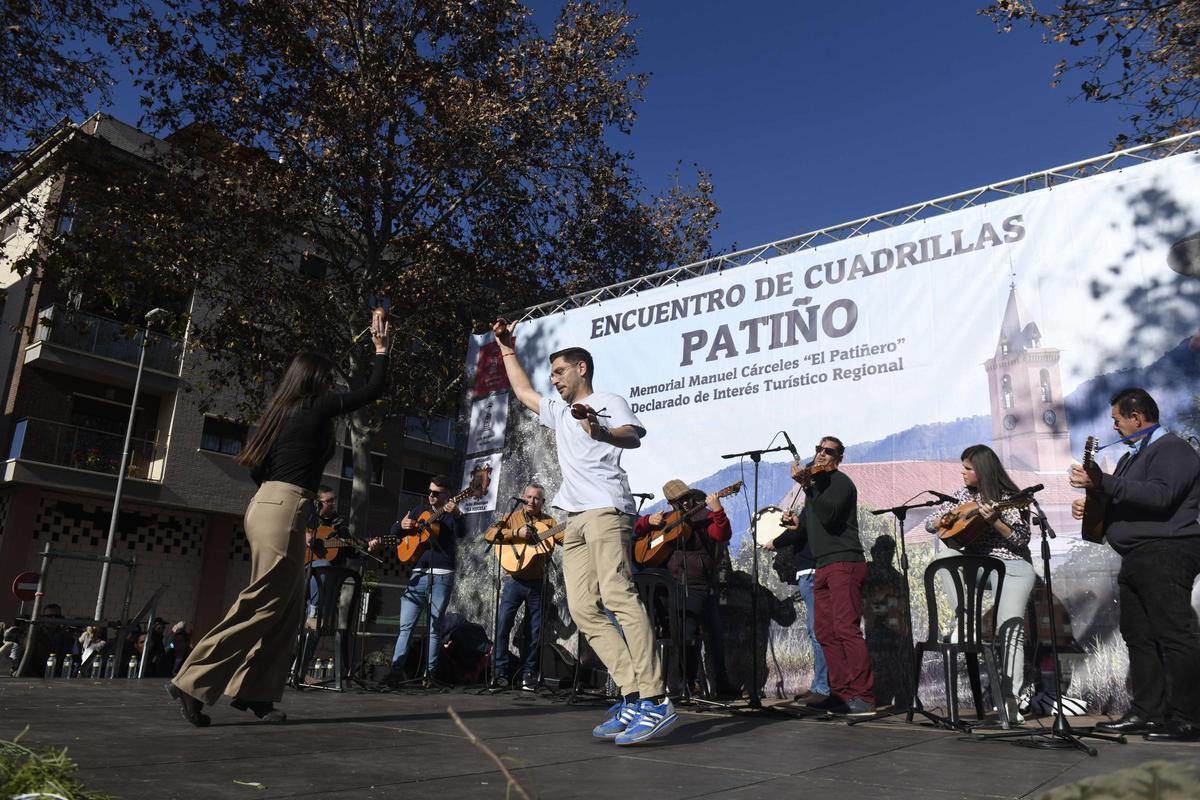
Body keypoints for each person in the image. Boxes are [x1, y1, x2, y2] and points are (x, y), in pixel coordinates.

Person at [166, 309, 389, 727]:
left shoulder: (282, 413)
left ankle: (256, 692)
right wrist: (380, 348)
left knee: (287, 606)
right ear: (314, 380)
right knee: (263, 602)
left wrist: (281, 499)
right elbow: (373, 389)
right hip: (284, 507)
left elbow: (257, 469)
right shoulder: (315, 407)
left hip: (269, 504)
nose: (333, 385)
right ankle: (192, 681)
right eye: (328, 378)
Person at [491, 319, 673, 746]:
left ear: (581, 369)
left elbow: (632, 437)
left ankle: (656, 698)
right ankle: (632, 694)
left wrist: (599, 429)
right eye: (552, 374)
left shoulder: (608, 401)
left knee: (617, 595)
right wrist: (506, 349)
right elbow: (523, 392)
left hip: (606, 509)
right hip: (572, 518)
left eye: (560, 372)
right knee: (583, 608)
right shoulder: (558, 412)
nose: (554, 380)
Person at [1069, 387, 1200, 742]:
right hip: (1137, 556)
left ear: (1137, 418)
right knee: (1138, 636)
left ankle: (1189, 718)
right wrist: (1093, 505)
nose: (1114, 427)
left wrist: (1103, 481)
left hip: (1167, 551)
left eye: (1117, 420)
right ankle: (1148, 712)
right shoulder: (1132, 458)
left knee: (1174, 633)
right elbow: (1126, 499)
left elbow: (1160, 496)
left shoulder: (1172, 449)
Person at [923, 444, 1034, 723]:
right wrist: (943, 519)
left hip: (1012, 566)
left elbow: (1021, 540)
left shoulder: (1010, 498)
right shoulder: (962, 496)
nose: (962, 472)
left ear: (982, 471)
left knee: (1009, 630)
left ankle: (1010, 701)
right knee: (944, 557)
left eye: (968, 468)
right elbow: (929, 524)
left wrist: (996, 521)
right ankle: (965, 620)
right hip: (977, 565)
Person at [764, 436, 875, 716]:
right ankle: (841, 693)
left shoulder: (840, 482)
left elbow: (830, 515)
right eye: (819, 449)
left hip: (844, 562)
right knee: (825, 631)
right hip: (823, 565)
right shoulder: (816, 488)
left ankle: (864, 696)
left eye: (829, 451)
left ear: (839, 458)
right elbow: (815, 525)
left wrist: (808, 486)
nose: (821, 454)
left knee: (846, 629)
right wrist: (797, 524)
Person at [633, 479, 733, 696]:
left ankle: (689, 682)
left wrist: (718, 510)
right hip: (670, 586)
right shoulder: (667, 518)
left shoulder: (705, 516)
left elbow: (722, 534)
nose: (686, 503)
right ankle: (655, 682)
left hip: (696, 585)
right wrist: (647, 521)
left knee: (687, 632)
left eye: (687, 498)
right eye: (679, 501)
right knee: (665, 627)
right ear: (671, 503)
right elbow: (636, 531)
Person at [380, 474, 466, 686]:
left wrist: (457, 515)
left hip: (442, 574)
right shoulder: (419, 510)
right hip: (418, 572)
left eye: (436, 493)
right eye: (429, 492)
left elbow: (462, 534)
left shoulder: (452, 513)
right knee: (406, 626)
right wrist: (402, 524)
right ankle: (395, 673)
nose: (431, 496)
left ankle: (430, 675)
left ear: (447, 495)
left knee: (434, 626)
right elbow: (394, 533)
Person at [484, 483, 556, 690]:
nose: (532, 501)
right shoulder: (511, 517)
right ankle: (499, 673)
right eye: (529, 497)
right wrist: (516, 532)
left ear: (543, 502)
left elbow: (566, 537)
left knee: (534, 631)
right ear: (523, 498)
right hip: (513, 580)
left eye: (537, 498)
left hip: (537, 583)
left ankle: (528, 675)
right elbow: (490, 535)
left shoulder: (549, 522)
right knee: (503, 626)